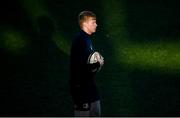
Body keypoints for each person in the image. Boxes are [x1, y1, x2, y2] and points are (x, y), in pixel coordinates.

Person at [69, 11, 104, 117]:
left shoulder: (87, 39)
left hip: (90, 86)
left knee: (96, 113)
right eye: (93, 22)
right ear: (85, 24)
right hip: (81, 88)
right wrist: (98, 64)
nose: (96, 24)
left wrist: (97, 62)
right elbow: (80, 67)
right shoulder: (80, 40)